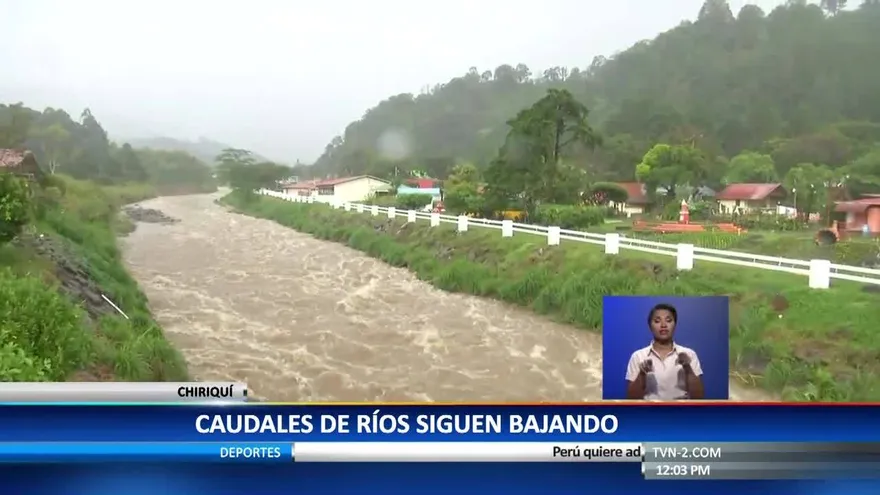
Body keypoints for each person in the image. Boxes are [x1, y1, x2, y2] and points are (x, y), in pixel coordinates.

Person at [625, 303, 705, 400]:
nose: (663, 325)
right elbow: (631, 399)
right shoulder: (638, 356)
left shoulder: (689, 354)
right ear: (650, 326)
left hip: (681, 413)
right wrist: (642, 374)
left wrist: (687, 368)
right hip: (649, 413)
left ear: (675, 324)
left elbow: (699, 397)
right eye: (657, 321)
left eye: (668, 320)